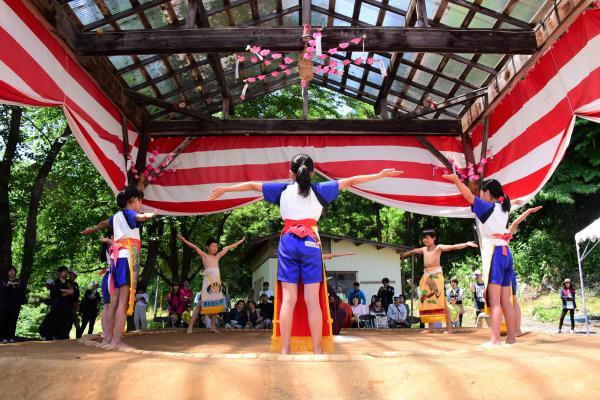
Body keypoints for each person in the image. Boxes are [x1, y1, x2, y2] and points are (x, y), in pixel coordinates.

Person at [208, 153, 402, 354]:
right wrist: (379, 175)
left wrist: (225, 189)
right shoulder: (320, 190)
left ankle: (285, 349)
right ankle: (317, 350)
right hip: (310, 241)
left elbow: (251, 185)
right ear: (313, 172)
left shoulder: (282, 190)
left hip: (288, 242)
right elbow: (351, 181)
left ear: (290, 172)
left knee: (289, 300)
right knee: (312, 300)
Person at [443, 174, 516, 345]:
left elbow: (468, 196)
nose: (480, 195)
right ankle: (511, 338)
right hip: (506, 252)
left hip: (495, 254)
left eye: (482, 192)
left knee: (495, 301)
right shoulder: (503, 207)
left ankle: (495, 340)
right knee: (506, 301)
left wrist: (456, 181)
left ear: (488, 193)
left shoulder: (488, 207)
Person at [81, 187, 155, 348]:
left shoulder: (115, 217)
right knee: (123, 300)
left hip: (116, 261)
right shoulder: (129, 212)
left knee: (113, 302)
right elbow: (139, 217)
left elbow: (102, 223)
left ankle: (108, 338)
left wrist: (91, 230)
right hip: (127, 257)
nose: (140, 205)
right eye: (140, 201)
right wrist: (149, 215)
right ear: (134, 200)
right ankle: (116, 340)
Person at [400, 228, 477, 334]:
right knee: (427, 301)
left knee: (441, 302)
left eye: (427, 237)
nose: (425, 240)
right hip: (426, 277)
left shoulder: (438, 248)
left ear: (434, 238)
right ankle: (430, 328)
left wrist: (466, 243)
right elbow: (413, 251)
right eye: (424, 238)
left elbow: (453, 247)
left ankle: (449, 328)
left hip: (436, 276)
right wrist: (404, 254)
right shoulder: (423, 249)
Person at [178, 235, 245, 334]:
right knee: (200, 304)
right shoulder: (204, 256)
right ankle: (190, 326)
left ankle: (212, 327)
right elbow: (195, 247)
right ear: (207, 247)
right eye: (213, 246)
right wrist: (184, 240)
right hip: (208, 283)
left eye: (216, 246)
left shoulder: (217, 256)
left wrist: (239, 242)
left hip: (216, 283)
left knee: (216, 304)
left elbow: (228, 248)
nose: (215, 248)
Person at [48, 266, 75, 340]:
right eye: (64, 271)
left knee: (66, 323)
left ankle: (64, 338)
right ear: (59, 273)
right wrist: (66, 292)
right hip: (56, 305)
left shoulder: (69, 282)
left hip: (67, 306)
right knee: (54, 322)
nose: (65, 273)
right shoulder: (55, 282)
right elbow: (55, 293)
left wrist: (62, 290)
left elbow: (72, 292)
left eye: (66, 271)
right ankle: (50, 338)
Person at [1, 267, 26, 343]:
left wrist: (17, 285)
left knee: (13, 321)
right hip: (5, 304)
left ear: (15, 272)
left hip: (16, 304)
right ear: (8, 272)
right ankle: (3, 337)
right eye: (10, 271)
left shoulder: (19, 281)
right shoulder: (4, 281)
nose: (12, 272)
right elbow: (2, 289)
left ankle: (11, 337)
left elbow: (23, 289)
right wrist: (8, 284)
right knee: (4, 321)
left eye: (13, 271)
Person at [68, 270, 81, 337]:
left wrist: (77, 305)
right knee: (68, 323)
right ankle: (65, 338)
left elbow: (77, 295)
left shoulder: (76, 284)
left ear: (75, 277)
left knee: (77, 323)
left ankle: (78, 338)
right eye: (70, 274)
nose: (70, 276)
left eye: (72, 275)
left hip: (73, 306)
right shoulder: (66, 282)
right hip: (66, 306)